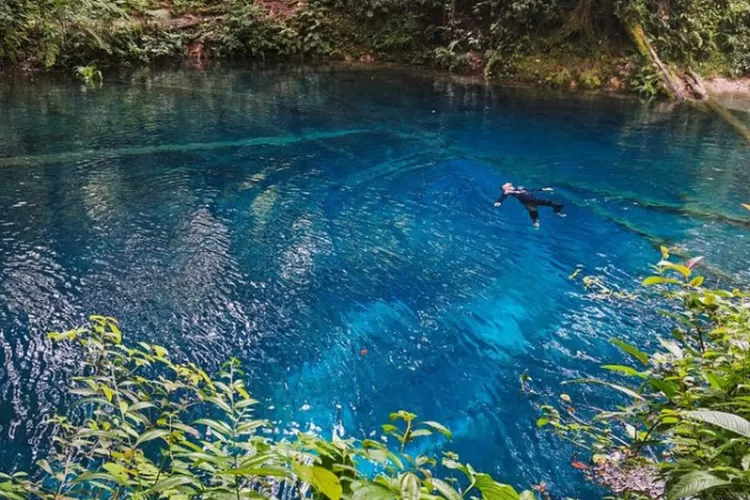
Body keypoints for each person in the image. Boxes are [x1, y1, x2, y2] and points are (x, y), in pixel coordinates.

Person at [494, 182, 565, 228]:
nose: (507, 184)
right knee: (533, 211)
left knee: (559, 205)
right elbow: (503, 196)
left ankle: (556, 211)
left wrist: (543, 189)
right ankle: (535, 222)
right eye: (505, 185)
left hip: (535, 201)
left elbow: (531, 190)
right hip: (527, 203)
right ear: (505, 188)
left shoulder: (520, 187)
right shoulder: (508, 191)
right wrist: (499, 202)